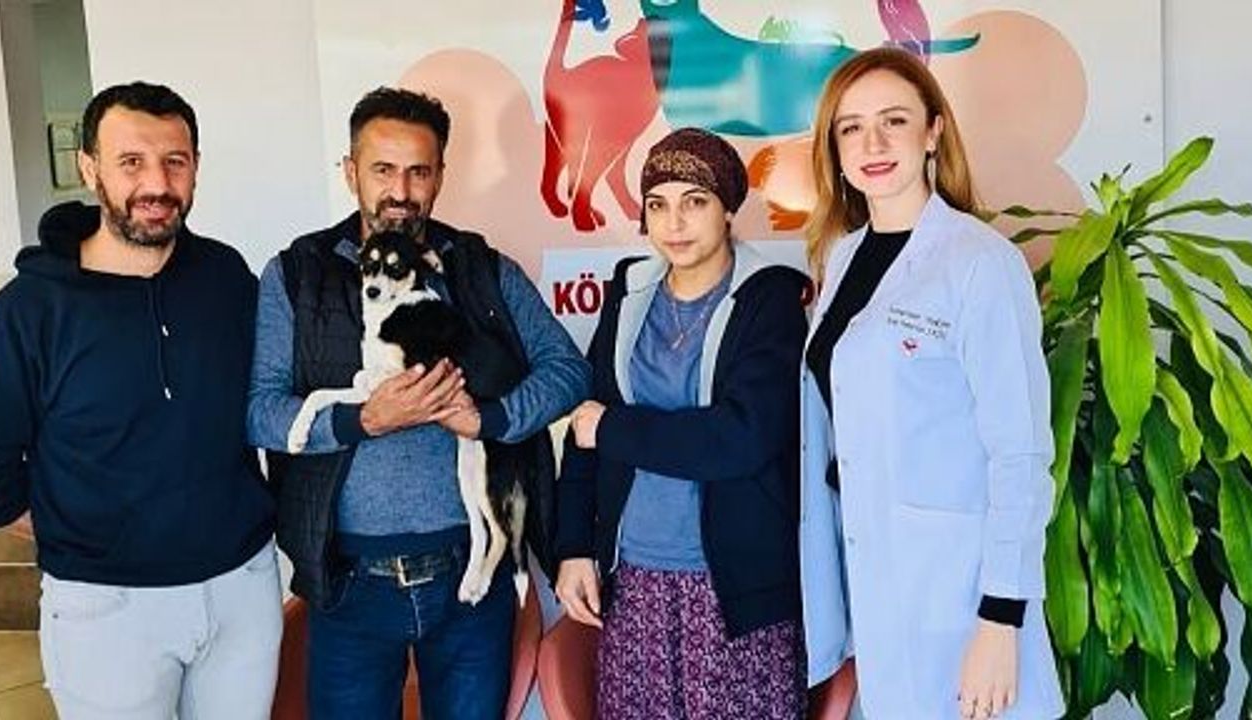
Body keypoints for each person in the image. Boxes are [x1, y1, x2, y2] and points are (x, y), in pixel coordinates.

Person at [247, 86, 589, 718]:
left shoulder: (482, 269)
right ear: (350, 171)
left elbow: (569, 372)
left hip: (470, 578)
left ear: (439, 177)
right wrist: (363, 420)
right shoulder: (297, 275)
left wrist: (489, 419)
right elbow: (262, 414)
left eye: (418, 171)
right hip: (346, 580)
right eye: (383, 169)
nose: (400, 190)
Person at [0, 82, 280, 719]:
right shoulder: (29, 311)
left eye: (175, 161)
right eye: (131, 161)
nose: (157, 184)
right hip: (106, 607)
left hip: (242, 588)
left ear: (196, 166)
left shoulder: (226, 277)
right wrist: (68, 522)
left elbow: (270, 397)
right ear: (89, 168)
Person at [798, 47, 1065, 719]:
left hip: (964, 594)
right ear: (834, 148)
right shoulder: (842, 258)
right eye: (852, 128)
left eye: (894, 120)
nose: (873, 144)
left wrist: (1001, 619)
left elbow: (1020, 453)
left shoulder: (980, 263)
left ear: (933, 132)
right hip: (877, 581)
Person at [554, 127, 809, 718]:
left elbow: (740, 438)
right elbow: (584, 430)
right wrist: (573, 548)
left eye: (695, 201)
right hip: (635, 581)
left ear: (728, 208)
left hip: (732, 587)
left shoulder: (769, 300)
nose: (674, 223)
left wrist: (616, 429)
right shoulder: (630, 294)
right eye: (657, 204)